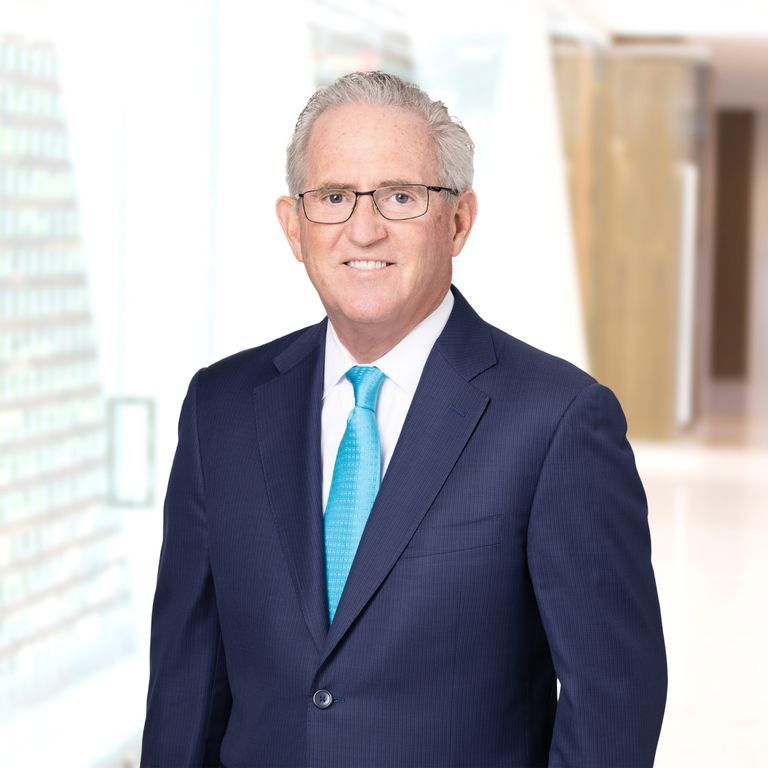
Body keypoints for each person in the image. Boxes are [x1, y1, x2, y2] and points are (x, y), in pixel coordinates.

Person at [140, 71, 667, 767]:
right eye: (334, 197)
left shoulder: (558, 420)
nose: (364, 229)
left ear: (459, 220)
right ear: (294, 225)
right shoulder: (221, 408)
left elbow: (614, 701)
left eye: (399, 196)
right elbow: (185, 685)